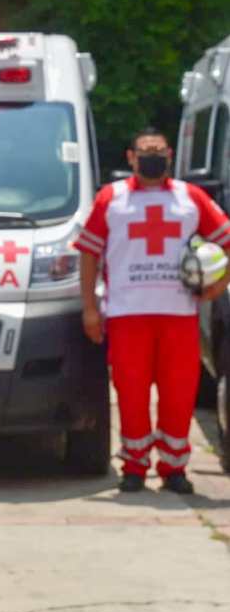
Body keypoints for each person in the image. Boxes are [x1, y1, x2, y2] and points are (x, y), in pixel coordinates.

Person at [75, 128, 230, 494]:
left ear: (170, 154)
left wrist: (219, 285)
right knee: (130, 393)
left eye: (158, 150)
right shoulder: (110, 199)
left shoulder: (190, 197)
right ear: (130, 157)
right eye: (145, 150)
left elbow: (225, 239)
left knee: (179, 393)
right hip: (127, 315)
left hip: (179, 314)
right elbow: (88, 253)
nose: (152, 156)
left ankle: (174, 469)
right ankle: (134, 466)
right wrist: (89, 308)